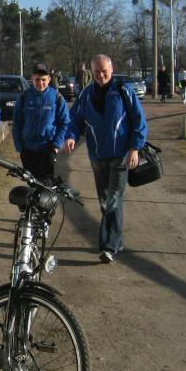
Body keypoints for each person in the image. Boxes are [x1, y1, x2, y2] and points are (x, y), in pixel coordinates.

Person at [64, 54, 147, 264]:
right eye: (97, 72)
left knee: (114, 198)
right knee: (104, 199)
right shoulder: (86, 94)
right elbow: (75, 120)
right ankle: (116, 240)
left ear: (111, 69)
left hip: (121, 155)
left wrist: (135, 148)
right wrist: (71, 137)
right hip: (97, 156)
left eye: (104, 71)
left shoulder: (123, 91)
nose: (101, 75)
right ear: (91, 72)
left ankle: (108, 245)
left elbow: (139, 120)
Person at [13, 63, 70, 182]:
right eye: (37, 79)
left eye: (43, 80)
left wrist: (56, 145)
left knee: (46, 184)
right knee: (32, 184)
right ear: (32, 79)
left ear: (49, 79)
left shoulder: (57, 97)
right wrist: (20, 147)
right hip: (28, 149)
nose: (40, 83)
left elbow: (65, 123)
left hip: (48, 148)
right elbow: (17, 123)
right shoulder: (24, 97)